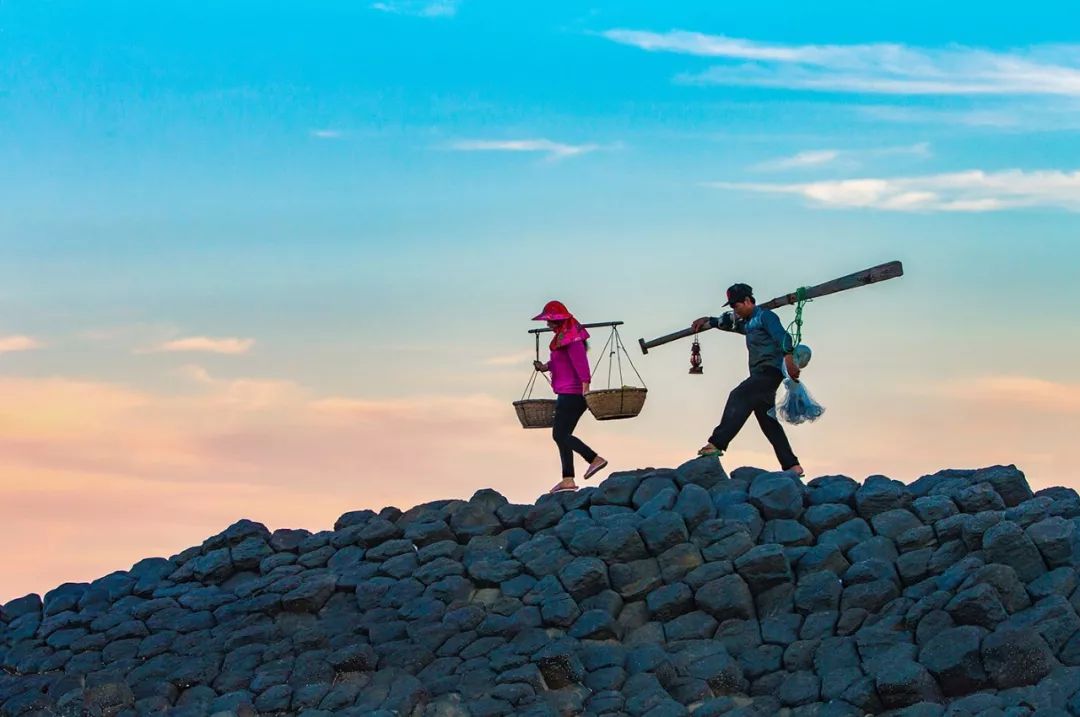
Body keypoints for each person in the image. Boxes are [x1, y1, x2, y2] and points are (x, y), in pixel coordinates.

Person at [691, 283, 805, 477]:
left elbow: (783, 336)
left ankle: (717, 443)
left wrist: (788, 357)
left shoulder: (765, 316)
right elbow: (726, 324)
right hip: (759, 375)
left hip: (770, 371)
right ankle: (792, 466)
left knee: (738, 395)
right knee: (768, 422)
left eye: (736, 306)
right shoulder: (748, 323)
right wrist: (707, 320)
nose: (735, 310)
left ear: (747, 301)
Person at [532, 300, 608, 493]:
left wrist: (586, 388)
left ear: (559, 321)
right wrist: (545, 367)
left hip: (574, 394)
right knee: (561, 436)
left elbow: (581, 364)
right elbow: (560, 362)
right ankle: (567, 479)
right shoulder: (563, 340)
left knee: (559, 434)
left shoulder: (573, 341)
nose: (547, 324)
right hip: (566, 393)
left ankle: (594, 459)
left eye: (550, 321)